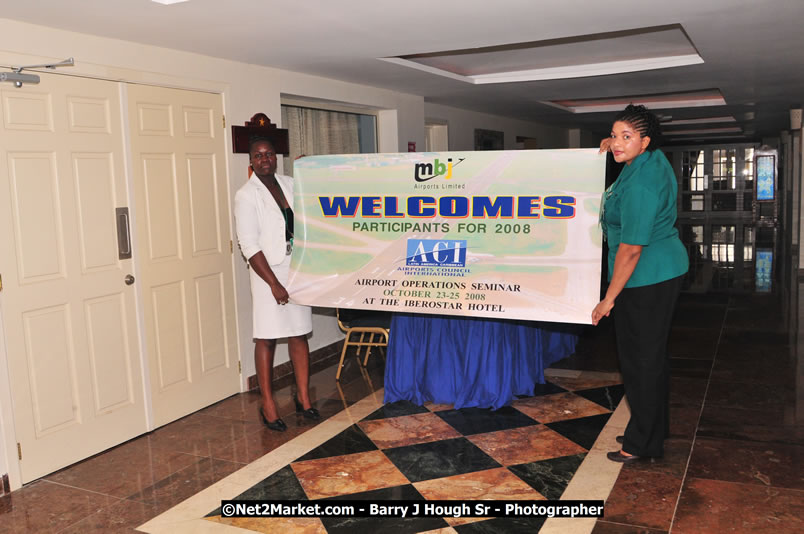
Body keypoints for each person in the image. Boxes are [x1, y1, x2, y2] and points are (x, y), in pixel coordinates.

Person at [592, 104, 688, 463]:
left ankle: (641, 444)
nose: (617, 143)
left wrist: (608, 299)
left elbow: (631, 250)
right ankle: (653, 428)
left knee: (639, 362)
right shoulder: (648, 160)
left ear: (645, 141)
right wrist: (616, 144)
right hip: (662, 268)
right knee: (653, 357)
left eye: (626, 137)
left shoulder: (642, 185)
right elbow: (627, 146)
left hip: (646, 276)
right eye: (614, 135)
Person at [234, 136, 320, 431]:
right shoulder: (246, 196)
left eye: (269, 154)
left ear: (275, 157)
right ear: (251, 162)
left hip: (295, 267)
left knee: (299, 333)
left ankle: (304, 398)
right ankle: (268, 404)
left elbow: (312, 200)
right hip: (266, 272)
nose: (265, 159)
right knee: (267, 337)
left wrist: (309, 169)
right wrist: (273, 283)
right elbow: (249, 245)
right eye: (258, 156)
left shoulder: (288, 183)